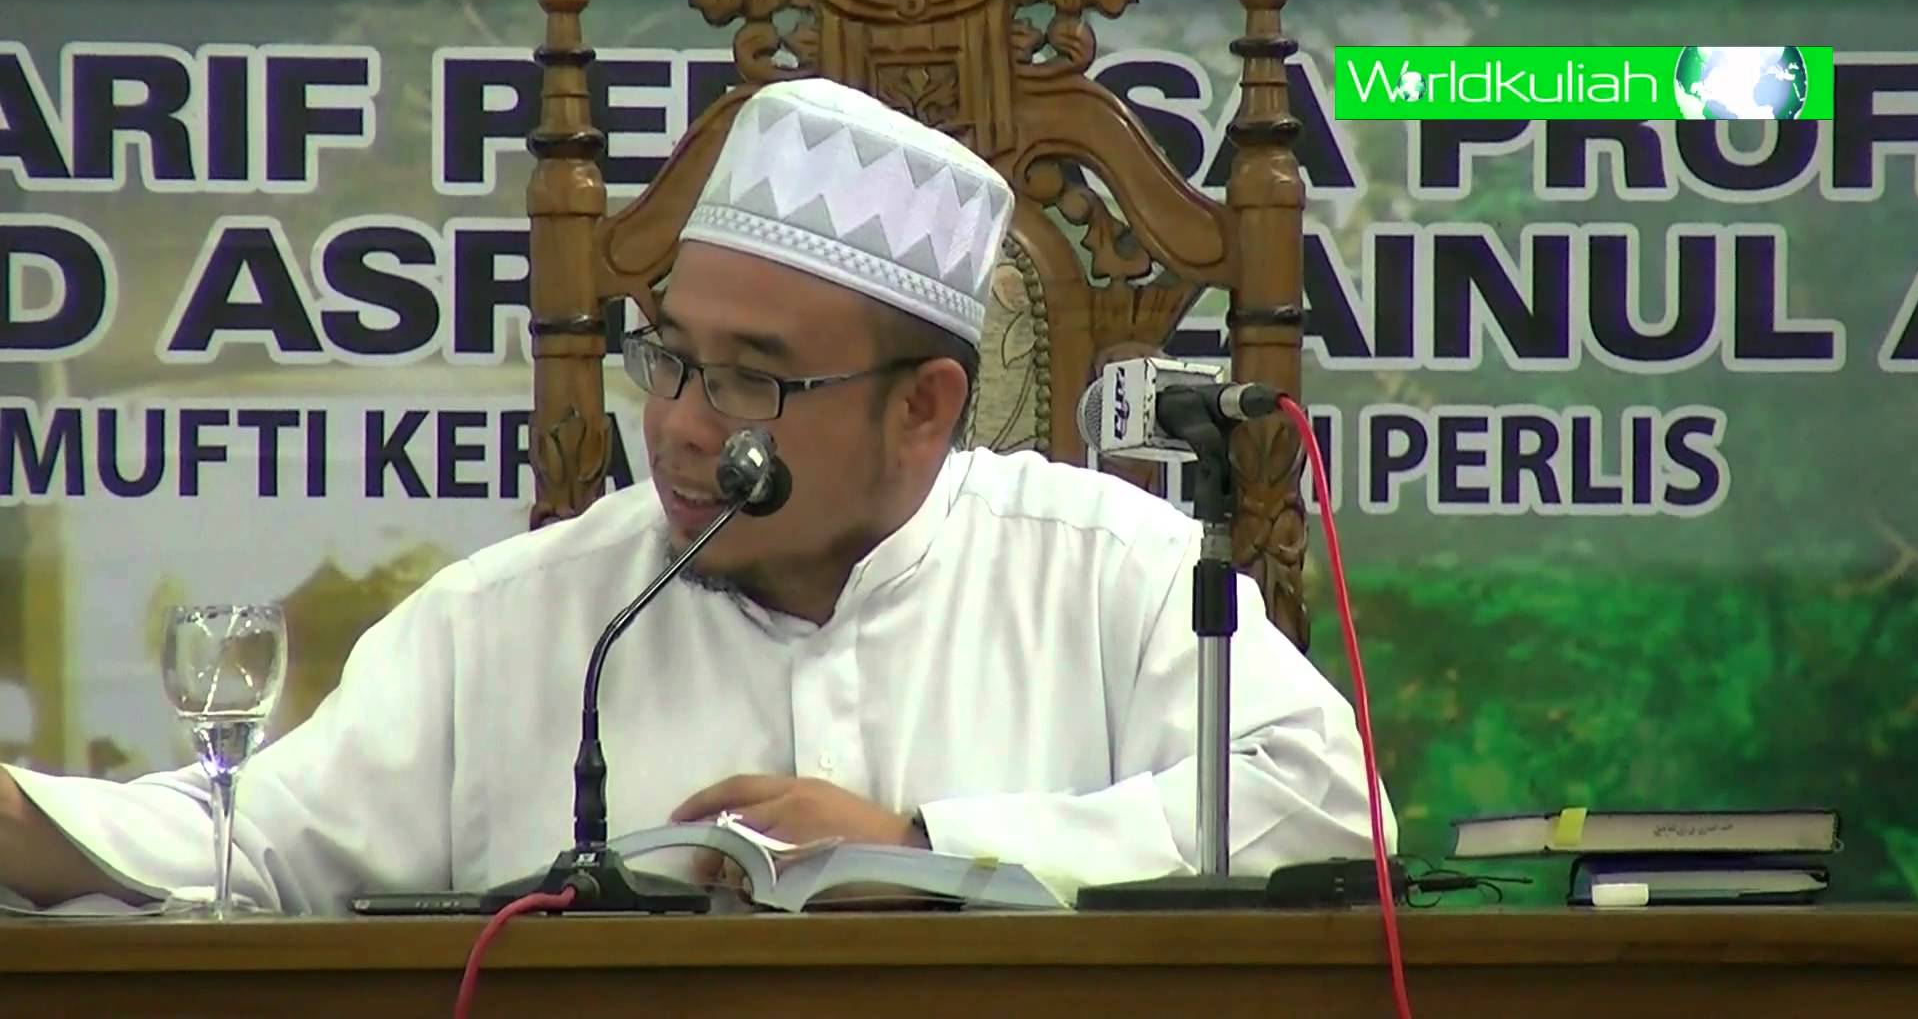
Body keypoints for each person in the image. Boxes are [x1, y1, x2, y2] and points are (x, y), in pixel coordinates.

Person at [0, 78, 1393, 914]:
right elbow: (255, 846)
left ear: (922, 409)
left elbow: (1332, 814)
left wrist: (931, 854)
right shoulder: (527, 618)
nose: (674, 425)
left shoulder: (1107, 569)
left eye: (749, 381)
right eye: (667, 356)